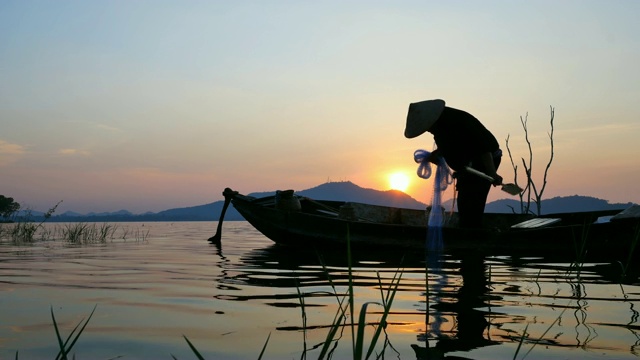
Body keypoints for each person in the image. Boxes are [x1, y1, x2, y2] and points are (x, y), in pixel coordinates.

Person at [404, 99, 503, 228]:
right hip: (468, 166)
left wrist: (491, 172)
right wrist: (436, 155)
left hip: (485, 161)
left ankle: (473, 233)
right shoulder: (440, 129)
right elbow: (450, 148)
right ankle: (468, 229)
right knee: (464, 202)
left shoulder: (459, 121)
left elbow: (483, 148)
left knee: (473, 201)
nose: (429, 130)